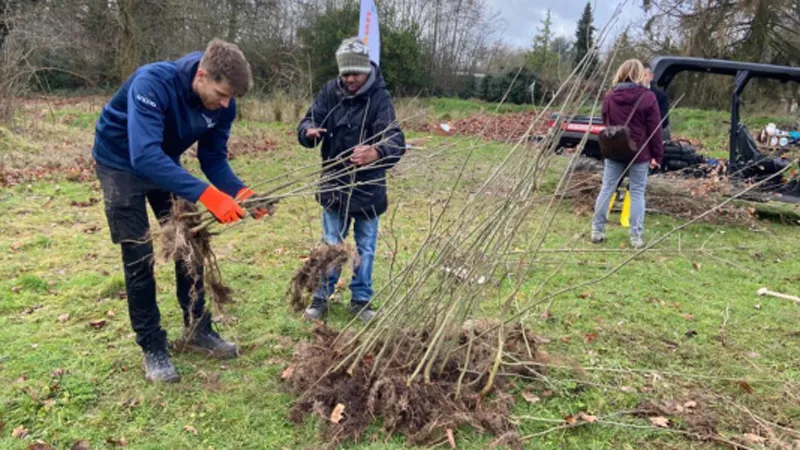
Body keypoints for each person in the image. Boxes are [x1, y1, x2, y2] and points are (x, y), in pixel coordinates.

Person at [92, 39, 271, 383]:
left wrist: (240, 192)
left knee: (190, 243)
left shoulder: (224, 104)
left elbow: (213, 158)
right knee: (138, 255)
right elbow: (143, 156)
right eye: (221, 94)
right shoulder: (153, 83)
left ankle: (197, 330)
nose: (225, 104)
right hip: (119, 164)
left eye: (231, 98)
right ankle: (152, 346)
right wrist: (208, 196)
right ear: (201, 75)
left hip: (163, 162)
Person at [297, 37, 406, 323]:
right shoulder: (330, 92)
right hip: (334, 184)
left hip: (368, 188)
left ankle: (361, 299)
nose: (349, 79)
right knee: (330, 243)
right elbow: (308, 119)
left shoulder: (380, 99)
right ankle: (321, 297)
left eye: (354, 73)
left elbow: (396, 139)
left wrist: (376, 152)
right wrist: (308, 131)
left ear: (366, 70)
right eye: (344, 73)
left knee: (366, 247)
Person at [591, 59, 663, 249]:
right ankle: (635, 236)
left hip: (614, 151)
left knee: (607, 188)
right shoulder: (648, 97)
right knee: (637, 192)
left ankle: (597, 231)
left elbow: (605, 122)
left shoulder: (609, 96)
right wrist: (657, 155)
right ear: (640, 74)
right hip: (640, 152)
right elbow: (655, 129)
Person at [643, 62, 671, 141]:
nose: (641, 78)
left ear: (651, 76)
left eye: (645, 75)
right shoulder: (630, 94)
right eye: (639, 76)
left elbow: (664, 121)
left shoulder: (660, 96)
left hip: (651, 138)